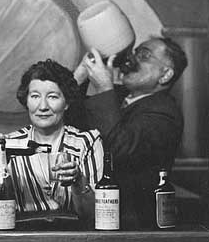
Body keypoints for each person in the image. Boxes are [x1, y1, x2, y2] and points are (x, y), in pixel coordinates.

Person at [78, 37, 187, 229]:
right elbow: (69, 121)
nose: (132, 58)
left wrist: (104, 87)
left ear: (165, 75)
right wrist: (81, 74)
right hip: (95, 214)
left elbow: (119, 148)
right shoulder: (115, 97)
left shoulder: (164, 112)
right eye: (135, 52)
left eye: (144, 55)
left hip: (131, 224)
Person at [0, 59, 103, 226]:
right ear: (26, 101)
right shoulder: (8, 144)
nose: (43, 106)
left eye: (52, 97)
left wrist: (78, 181)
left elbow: (97, 215)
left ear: (66, 103)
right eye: (35, 96)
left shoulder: (87, 142)